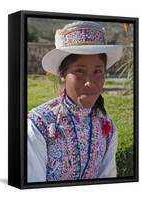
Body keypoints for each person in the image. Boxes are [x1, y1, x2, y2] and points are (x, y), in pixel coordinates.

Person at [27, 21, 123, 182]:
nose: (90, 82)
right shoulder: (38, 126)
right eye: (80, 71)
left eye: (98, 71)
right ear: (63, 74)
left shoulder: (108, 129)